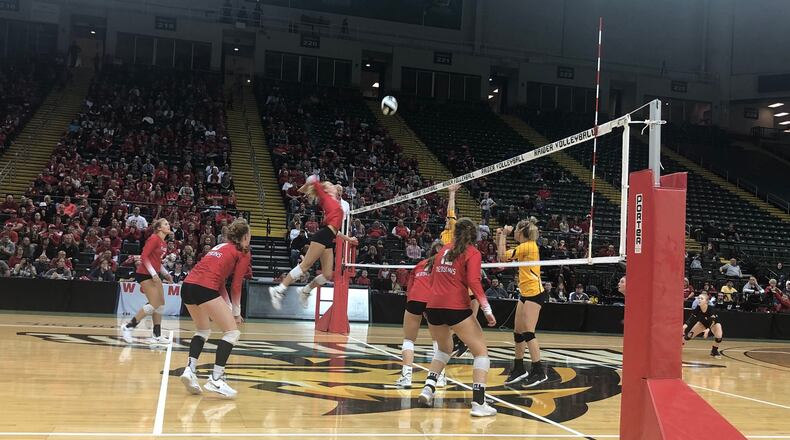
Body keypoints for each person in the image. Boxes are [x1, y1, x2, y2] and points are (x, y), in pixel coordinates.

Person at [418, 218, 498, 417]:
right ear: (474, 236)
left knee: (444, 349)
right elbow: (474, 281)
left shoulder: (443, 250)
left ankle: (428, 388)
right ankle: (479, 403)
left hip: (433, 307)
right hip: (455, 307)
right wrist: (487, 309)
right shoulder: (472, 253)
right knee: (481, 352)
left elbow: (434, 278)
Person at [178, 219, 252, 399]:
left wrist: (228, 308)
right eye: (249, 236)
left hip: (187, 287)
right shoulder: (243, 252)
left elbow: (219, 284)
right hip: (204, 288)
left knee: (203, 330)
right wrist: (236, 313)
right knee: (232, 333)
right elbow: (236, 286)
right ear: (244, 237)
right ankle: (216, 378)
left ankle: (190, 370)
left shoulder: (220, 247)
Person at [269, 176, 357, 310]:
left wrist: (348, 239)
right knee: (305, 266)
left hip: (329, 236)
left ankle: (305, 291)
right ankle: (279, 289)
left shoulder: (336, 203)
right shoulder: (325, 196)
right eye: (332, 185)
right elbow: (311, 181)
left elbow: (335, 231)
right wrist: (312, 182)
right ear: (327, 189)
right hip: (323, 235)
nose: (335, 186)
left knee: (328, 275)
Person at [497, 219, 548, 387]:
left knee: (528, 333)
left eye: (516, 231)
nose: (515, 233)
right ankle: (519, 368)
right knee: (518, 332)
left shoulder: (529, 245)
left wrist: (504, 235)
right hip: (525, 293)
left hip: (534, 293)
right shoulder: (526, 246)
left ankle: (539, 371)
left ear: (521, 232)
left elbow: (503, 257)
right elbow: (501, 259)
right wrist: (500, 237)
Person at [394, 242, 450, 389]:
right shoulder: (444, 267)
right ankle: (440, 378)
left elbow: (410, 289)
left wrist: (412, 304)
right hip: (434, 300)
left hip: (416, 299)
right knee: (439, 341)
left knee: (408, 339)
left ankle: (406, 378)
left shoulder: (419, 265)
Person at [120, 219, 174, 344]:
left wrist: (166, 274)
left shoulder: (164, 243)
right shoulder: (154, 238)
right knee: (154, 303)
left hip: (154, 275)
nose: (168, 225)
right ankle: (128, 327)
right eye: (165, 224)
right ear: (159, 228)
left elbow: (157, 261)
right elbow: (144, 256)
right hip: (145, 274)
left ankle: (157, 335)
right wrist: (154, 274)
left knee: (160, 304)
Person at [683, 293, 724, 359]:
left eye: (701, 299)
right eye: (698, 298)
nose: (699, 300)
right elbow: (692, 316)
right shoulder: (698, 307)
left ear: (706, 301)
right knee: (689, 336)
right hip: (702, 323)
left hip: (714, 323)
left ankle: (714, 351)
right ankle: (678, 346)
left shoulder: (711, 309)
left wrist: (708, 329)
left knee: (719, 336)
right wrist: (686, 324)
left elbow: (712, 320)